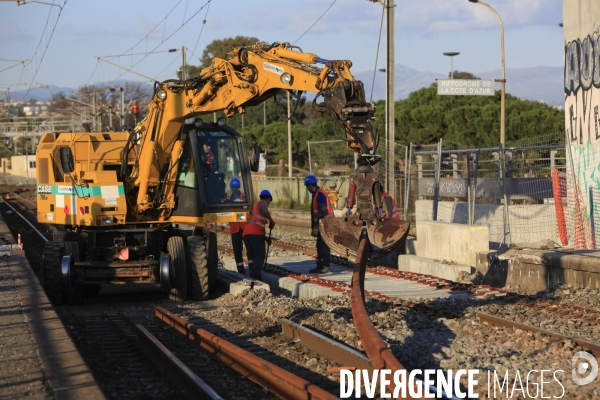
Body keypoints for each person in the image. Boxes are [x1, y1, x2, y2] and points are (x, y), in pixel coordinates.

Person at [242, 189, 276, 280]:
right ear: (268, 198)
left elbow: (255, 223)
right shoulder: (263, 202)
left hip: (248, 234)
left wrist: (265, 238)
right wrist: (271, 221)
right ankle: (255, 275)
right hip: (254, 234)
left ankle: (252, 276)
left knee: (252, 256)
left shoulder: (255, 206)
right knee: (260, 255)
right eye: (269, 201)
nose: (268, 203)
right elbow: (265, 210)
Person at [304, 175, 335, 274]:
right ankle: (320, 265)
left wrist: (317, 226)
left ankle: (326, 266)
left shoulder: (320, 194)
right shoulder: (316, 193)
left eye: (307, 186)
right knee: (319, 245)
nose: (307, 188)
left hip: (325, 224)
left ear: (309, 185)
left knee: (324, 246)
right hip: (322, 223)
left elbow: (322, 211)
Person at [228, 178, 247, 274]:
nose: (235, 189)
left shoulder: (244, 197)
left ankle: (252, 267)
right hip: (234, 228)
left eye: (236, 187)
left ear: (239, 187)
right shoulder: (228, 199)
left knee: (249, 248)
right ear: (231, 188)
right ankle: (241, 270)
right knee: (237, 250)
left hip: (244, 227)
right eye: (233, 187)